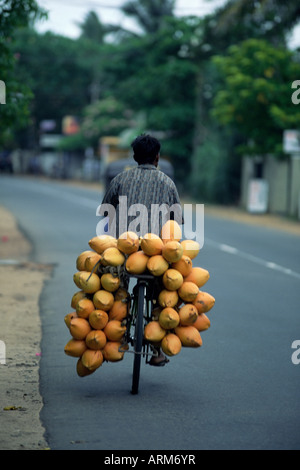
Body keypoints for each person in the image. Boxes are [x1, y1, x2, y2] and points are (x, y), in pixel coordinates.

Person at [100, 134, 184, 366]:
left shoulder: (121, 179)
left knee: (116, 292)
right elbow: (177, 221)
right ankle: (157, 350)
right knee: (164, 300)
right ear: (157, 157)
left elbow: (106, 211)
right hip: (158, 255)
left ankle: (118, 337)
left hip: (124, 253)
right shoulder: (168, 183)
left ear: (135, 157)